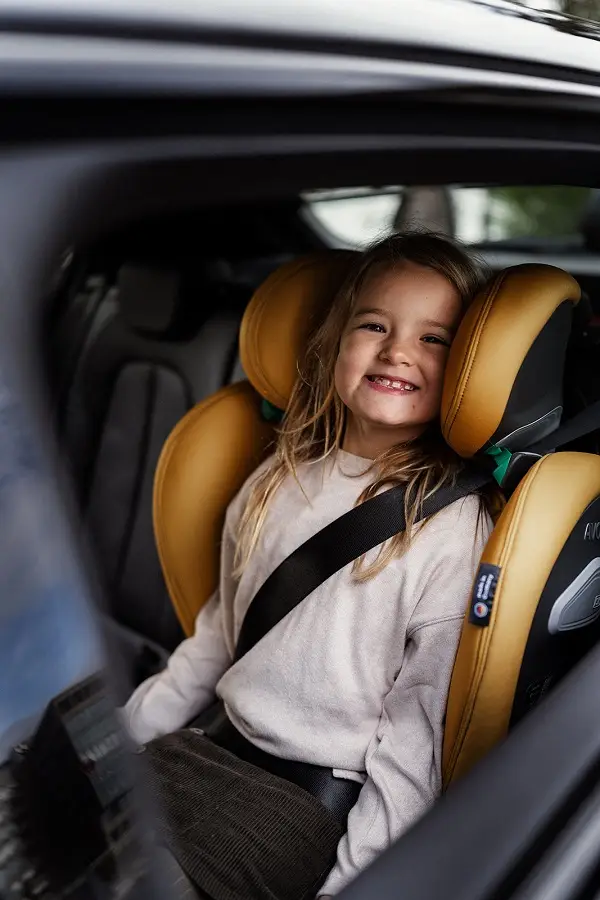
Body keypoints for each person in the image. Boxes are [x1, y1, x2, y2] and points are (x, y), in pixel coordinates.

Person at [123, 231, 495, 900]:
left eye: (434, 339)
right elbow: (213, 643)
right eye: (374, 325)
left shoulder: (450, 530)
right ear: (333, 343)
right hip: (199, 754)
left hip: (295, 808)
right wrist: (122, 742)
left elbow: (412, 750)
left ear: (469, 369)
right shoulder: (276, 478)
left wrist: (353, 886)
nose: (397, 351)